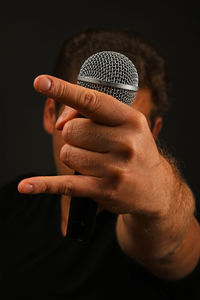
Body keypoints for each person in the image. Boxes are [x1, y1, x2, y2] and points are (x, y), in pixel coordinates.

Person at [2, 28, 200, 299]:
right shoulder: (12, 206)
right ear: (51, 113)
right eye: (86, 116)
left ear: (151, 134)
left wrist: (163, 198)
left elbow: (174, 246)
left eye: (119, 126)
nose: (99, 138)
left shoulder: (141, 226)